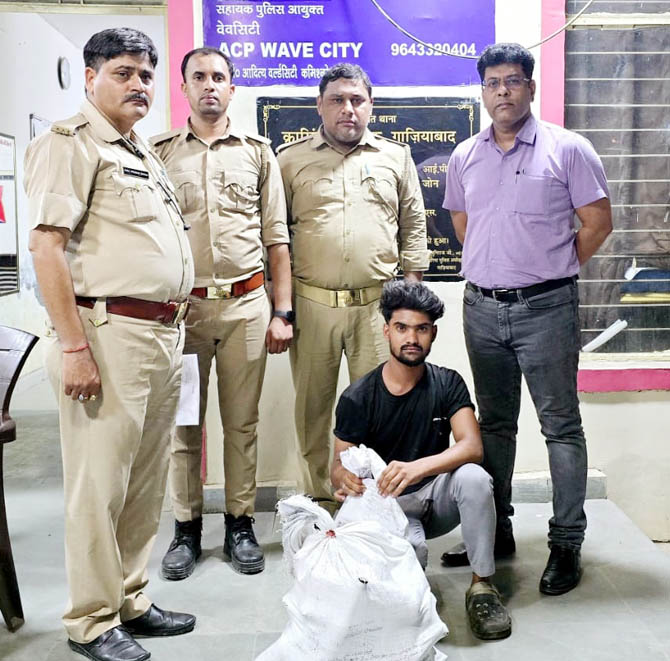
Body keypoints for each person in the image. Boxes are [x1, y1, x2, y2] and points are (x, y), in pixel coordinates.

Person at [24, 28, 196, 661]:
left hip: (159, 334)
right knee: (99, 485)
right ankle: (91, 620)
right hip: (104, 334)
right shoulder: (69, 143)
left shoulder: (139, 148)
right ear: (90, 77)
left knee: (144, 479)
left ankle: (128, 596)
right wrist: (74, 346)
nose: (139, 85)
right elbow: (46, 248)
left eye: (146, 75)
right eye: (123, 73)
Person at [442, 42, 613, 595]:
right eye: (493, 83)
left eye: (513, 81)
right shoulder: (465, 155)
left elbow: (597, 223)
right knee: (494, 425)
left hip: (547, 308)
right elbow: (464, 224)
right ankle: (497, 531)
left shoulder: (569, 150)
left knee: (560, 426)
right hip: (482, 309)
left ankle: (566, 542)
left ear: (531, 87)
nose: (503, 92)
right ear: (483, 91)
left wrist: (550, 267)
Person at [150, 48, 292, 579]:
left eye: (219, 77)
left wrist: (282, 311)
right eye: (199, 77)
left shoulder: (258, 153)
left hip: (246, 309)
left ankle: (240, 524)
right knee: (184, 425)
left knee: (241, 423)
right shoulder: (159, 153)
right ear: (184, 87)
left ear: (232, 88)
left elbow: (277, 239)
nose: (209, 85)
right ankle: (186, 528)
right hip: (183, 315)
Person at [277, 63, 429, 512]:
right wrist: (280, 307)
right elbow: (276, 235)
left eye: (357, 100)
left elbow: (413, 226)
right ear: (319, 105)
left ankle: (374, 507)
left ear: (371, 105)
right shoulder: (289, 160)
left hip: (377, 308)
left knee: (380, 409)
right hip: (313, 305)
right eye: (337, 100)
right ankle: (321, 506)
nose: (348, 109)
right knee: (313, 412)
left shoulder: (395, 157)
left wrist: (409, 306)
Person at [330, 280, 511, 640]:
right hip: (391, 506)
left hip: (438, 498)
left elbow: (472, 446)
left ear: (433, 334)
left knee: (474, 477)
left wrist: (417, 468)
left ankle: (482, 588)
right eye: (402, 328)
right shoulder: (358, 397)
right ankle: (410, 587)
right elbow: (338, 465)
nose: (411, 338)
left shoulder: (447, 383)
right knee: (406, 590)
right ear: (387, 331)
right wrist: (343, 479)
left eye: (421, 329)